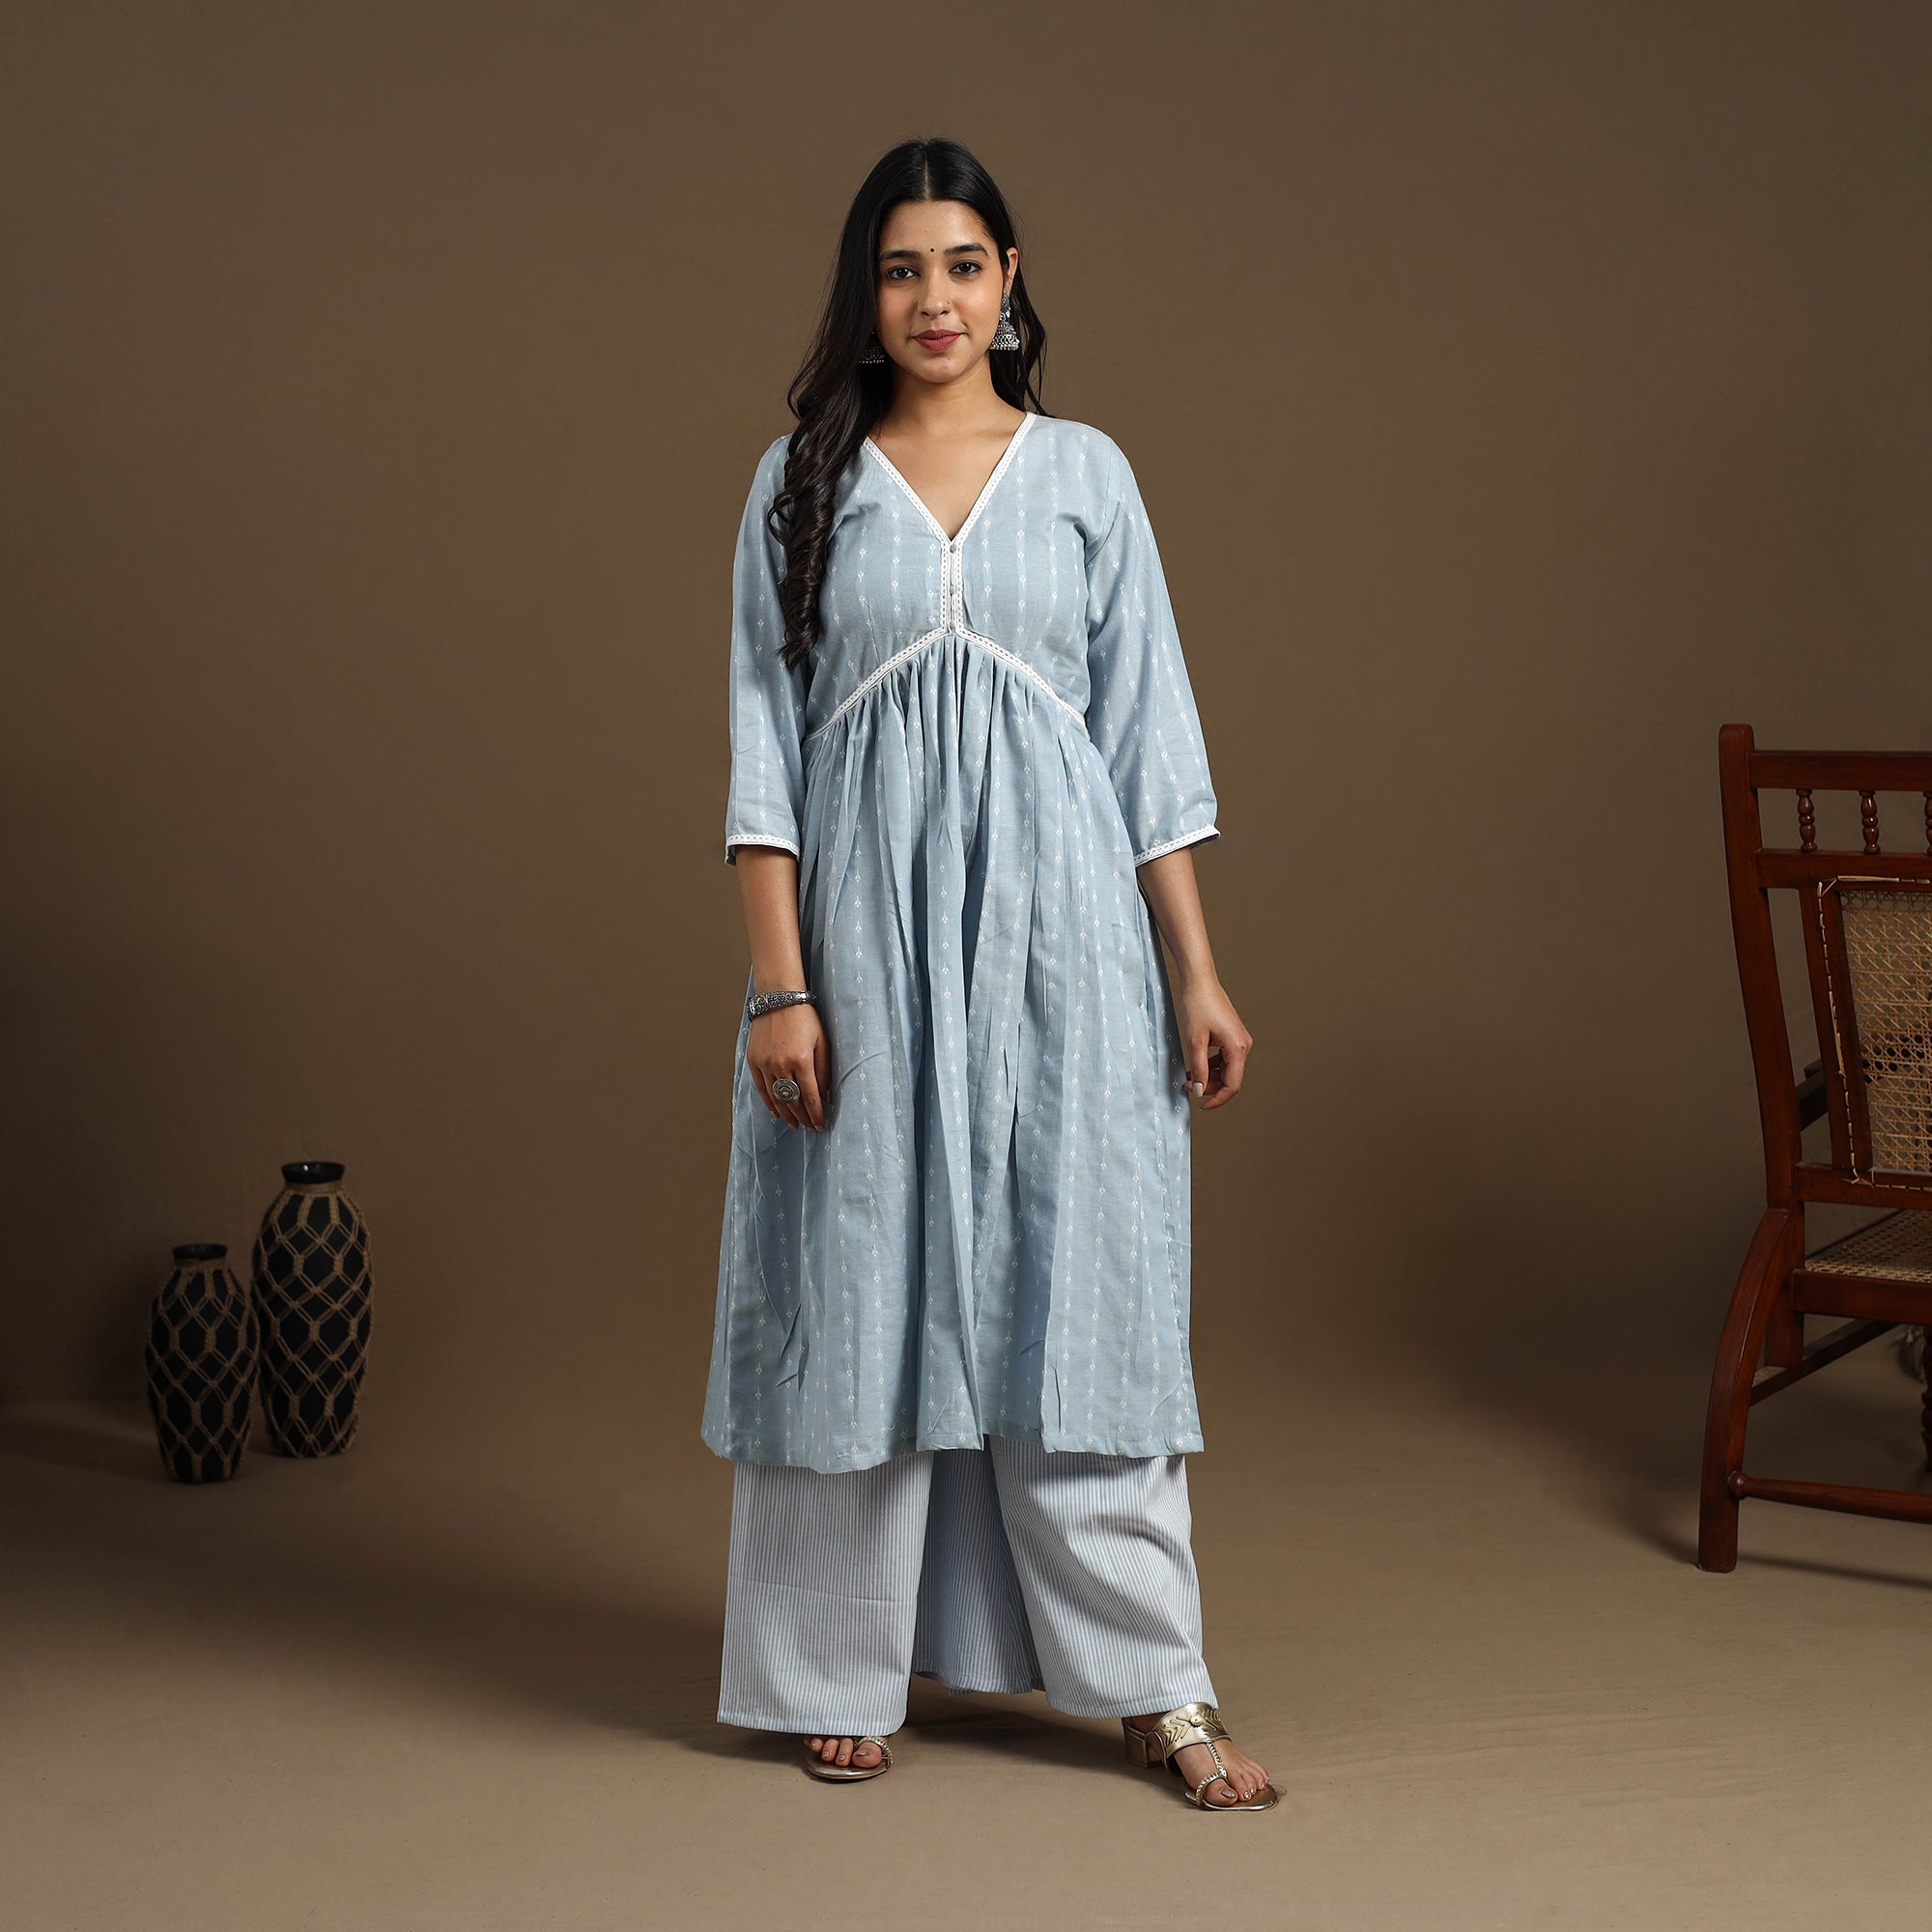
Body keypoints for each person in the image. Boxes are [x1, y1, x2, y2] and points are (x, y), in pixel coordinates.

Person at [702, 135, 1274, 1812]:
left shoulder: (1088, 474)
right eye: (901, 270)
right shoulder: (798, 485)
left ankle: (1157, 1686)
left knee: (1077, 1281)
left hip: (1067, 944)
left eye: (962, 265)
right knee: (858, 1283)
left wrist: (1197, 974)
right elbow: (762, 755)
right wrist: (778, 989)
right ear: (865, 295)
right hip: (865, 948)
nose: (933, 300)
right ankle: (831, 1668)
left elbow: (1149, 742)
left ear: (1009, 281)